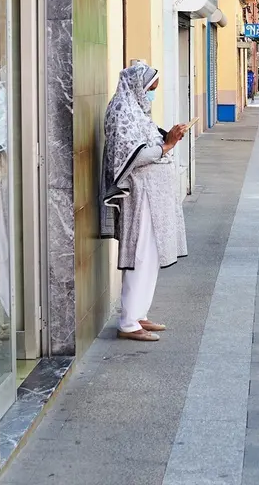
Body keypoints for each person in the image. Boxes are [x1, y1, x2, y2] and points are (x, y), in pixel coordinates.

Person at [100, 62, 189, 342]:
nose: (152, 94)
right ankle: (127, 322)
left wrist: (165, 136)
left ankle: (138, 313)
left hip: (153, 195)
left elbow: (145, 140)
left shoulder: (137, 111)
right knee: (139, 255)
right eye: (151, 89)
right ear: (138, 86)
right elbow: (130, 156)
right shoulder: (122, 111)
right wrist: (167, 145)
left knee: (150, 255)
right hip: (139, 197)